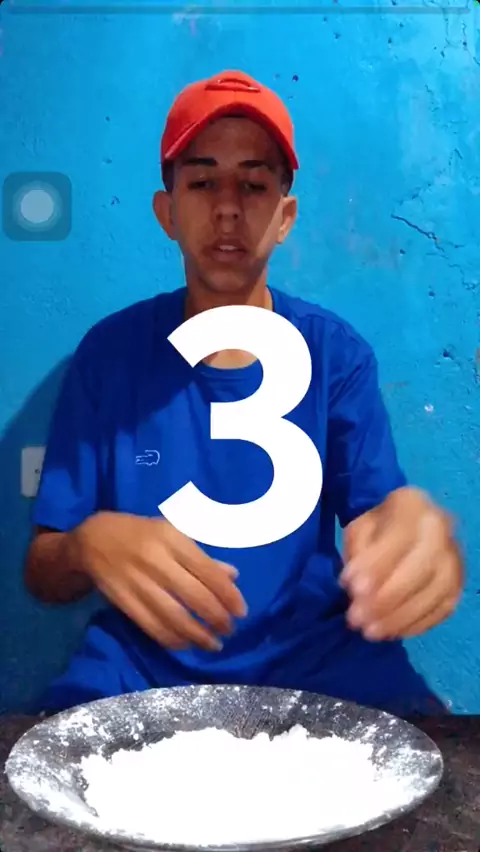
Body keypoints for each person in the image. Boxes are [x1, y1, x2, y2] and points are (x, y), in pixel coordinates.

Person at [25, 70, 463, 717]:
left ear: (285, 217)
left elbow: (377, 517)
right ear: (167, 212)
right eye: (203, 183)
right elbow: (43, 570)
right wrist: (88, 545)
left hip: (320, 660)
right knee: (39, 764)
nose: (228, 207)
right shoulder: (108, 355)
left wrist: (408, 541)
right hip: (137, 668)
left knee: (440, 758)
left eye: (254, 185)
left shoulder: (335, 354)